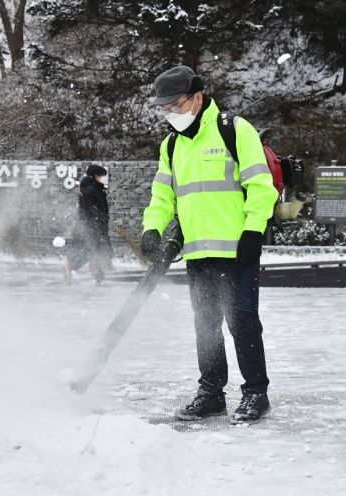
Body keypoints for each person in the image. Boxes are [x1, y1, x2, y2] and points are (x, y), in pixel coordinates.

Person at [141, 65, 278, 424]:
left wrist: (253, 230)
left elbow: (261, 186)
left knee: (242, 322)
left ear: (198, 97)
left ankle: (255, 394)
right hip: (198, 252)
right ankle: (212, 393)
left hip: (236, 250)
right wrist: (152, 229)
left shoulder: (233, 130)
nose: (171, 113)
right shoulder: (171, 145)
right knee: (205, 325)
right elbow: (162, 195)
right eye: (165, 108)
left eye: (176, 105)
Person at [65, 164, 113, 284]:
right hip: (91, 227)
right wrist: (98, 215)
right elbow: (85, 210)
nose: (101, 178)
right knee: (92, 252)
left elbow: (99, 207)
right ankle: (71, 268)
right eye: (100, 176)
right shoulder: (89, 191)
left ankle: (98, 276)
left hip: (98, 226)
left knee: (97, 251)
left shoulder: (97, 189)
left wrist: (102, 215)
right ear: (94, 176)